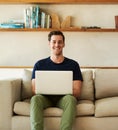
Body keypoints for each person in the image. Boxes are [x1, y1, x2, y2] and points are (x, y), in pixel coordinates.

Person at [30, 30, 83, 130]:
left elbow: (77, 91)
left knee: (71, 99)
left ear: (64, 44)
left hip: (64, 99)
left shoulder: (73, 65)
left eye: (60, 42)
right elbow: (34, 90)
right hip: (45, 99)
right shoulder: (39, 64)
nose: (57, 45)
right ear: (49, 44)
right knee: (35, 99)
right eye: (54, 42)